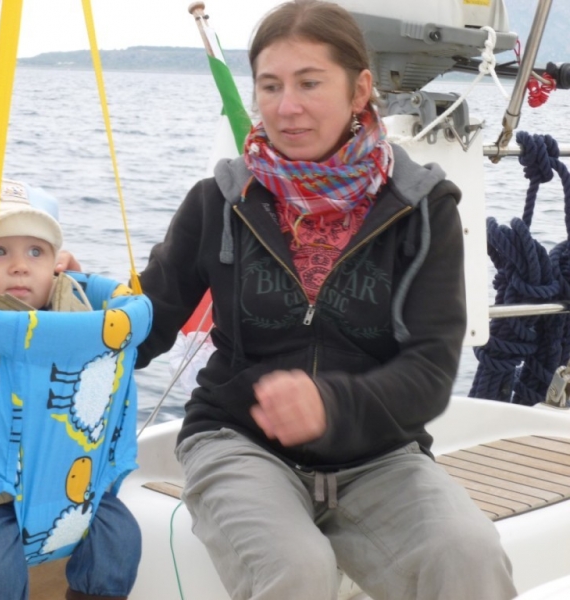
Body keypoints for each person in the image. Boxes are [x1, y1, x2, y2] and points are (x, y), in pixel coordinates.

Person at [133, 2, 518, 599]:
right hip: (238, 442)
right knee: (297, 569)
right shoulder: (219, 201)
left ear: (359, 89)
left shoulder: (422, 208)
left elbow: (430, 370)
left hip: (380, 455)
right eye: (270, 86)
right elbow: (144, 323)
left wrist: (330, 405)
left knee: (469, 555)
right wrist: (54, 295)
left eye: (309, 83)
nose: (287, 107)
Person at [0, 171, 141, 600]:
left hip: (69, 476)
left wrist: (69, 282)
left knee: (120, 538)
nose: (20, 265)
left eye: (36, 252)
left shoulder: (71, 308)